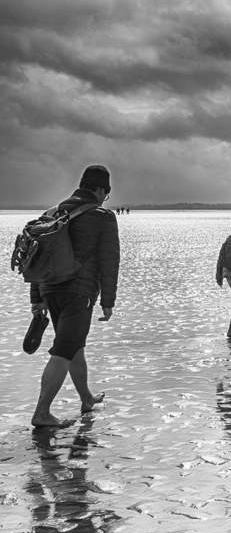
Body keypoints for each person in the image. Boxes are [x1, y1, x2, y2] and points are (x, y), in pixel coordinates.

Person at [29, 164, 120, 428]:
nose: (105, 198)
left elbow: (38, 256)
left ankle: (87, 399)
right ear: (102, 189)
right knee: (65, 349)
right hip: (79, 293)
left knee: (74, 345)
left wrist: (36, 297)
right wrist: (108, 302)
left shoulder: (52, 212)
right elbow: (109, 261)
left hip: (49, 289)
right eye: (106, 193)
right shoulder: (102, 217)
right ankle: (42, 413)